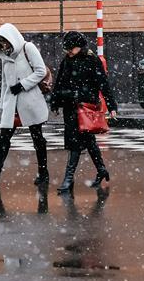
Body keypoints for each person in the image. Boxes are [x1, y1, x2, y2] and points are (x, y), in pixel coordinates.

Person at [0, 23, 49, 186]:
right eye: (0, 42)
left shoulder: (28, 48)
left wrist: (23, 84)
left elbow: (41, 71)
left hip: (30, 101)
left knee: (37, 138)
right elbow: (5, 81)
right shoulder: (5, 56)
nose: (3, 45)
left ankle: (43, 173)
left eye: (5, 41)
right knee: (3, 138)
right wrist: (4, 104)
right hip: (13, 103)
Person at [50, 31, 118, 193]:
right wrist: (55, 102)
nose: (68, 52)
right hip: (70, 106)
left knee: (75, 143)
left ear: (79, 46)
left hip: (85, 107)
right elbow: (59, 82)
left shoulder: (91, 59)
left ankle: (68, 179)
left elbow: (103, 83)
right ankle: (101, 170)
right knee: (88, 141)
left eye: (71, 48)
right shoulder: (67, 60)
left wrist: (111, 106)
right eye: (67, 49)